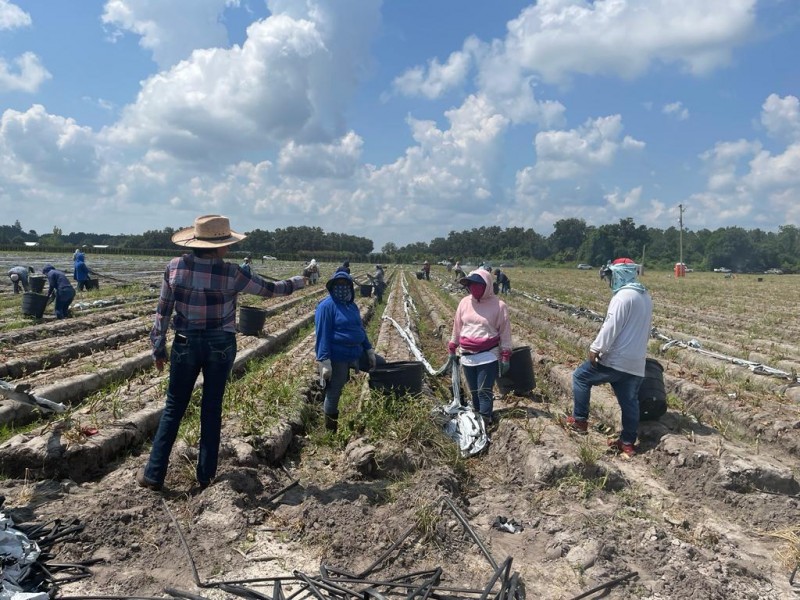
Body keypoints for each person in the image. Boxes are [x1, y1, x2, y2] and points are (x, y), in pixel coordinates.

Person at [138, 214, 306, 492]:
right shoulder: (231, 273)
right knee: (211, 409)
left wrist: (158, 347)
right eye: (227, 243)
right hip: (220, 345)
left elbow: (163, 311)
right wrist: (299, 281)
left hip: (185, 343)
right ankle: (205, 477)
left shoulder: (174, 267)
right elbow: (270, 290)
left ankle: (153, 475)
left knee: (173, 409)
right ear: (218, 246)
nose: (229, 248)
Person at [566, 258, 653, 457]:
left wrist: (597, 347)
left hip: (616, 359)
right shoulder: (645, 296)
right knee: (630, 402)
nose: (610, 281)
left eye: (611, 276)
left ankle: (580, 419)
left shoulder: (623, 297)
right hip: (636, 361)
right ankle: (628, 442)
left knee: (580, 376)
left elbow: (611, 326)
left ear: (619, 274)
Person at [314, 271, 384, 433]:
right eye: (338, 285)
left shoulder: (351, 305)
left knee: (380, 365)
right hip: (338, 355)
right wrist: (324, 361)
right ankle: (330, 431)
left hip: (356, 352)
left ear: (351, 288)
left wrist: (369, 349)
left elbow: (359, 329)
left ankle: (377, 404)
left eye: (345, 285)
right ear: (332, 287)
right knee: (334, 391)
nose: (342, 289)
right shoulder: (326, 307)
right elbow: (322, 334)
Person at [448, 269, 512, 427]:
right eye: (471, 285)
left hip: (487, 355)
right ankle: (477, 418)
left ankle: (485, 420)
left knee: (484, 390)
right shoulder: (464, 302)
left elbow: (505, 332)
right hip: (467, 355)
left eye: (478, 285)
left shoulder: (499, 306)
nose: (474, 288)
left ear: (488, 285)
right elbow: (457, 326)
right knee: (474, 391)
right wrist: (452, 345)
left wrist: (505, 356)